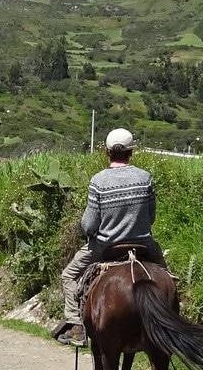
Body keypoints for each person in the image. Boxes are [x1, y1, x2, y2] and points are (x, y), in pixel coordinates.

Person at [50, 128, 166, 347]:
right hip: (143, 244)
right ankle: (172, 319)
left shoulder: (98, 181)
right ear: (131, 152)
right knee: (167, 276)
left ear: (107, 152)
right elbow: (151, 216)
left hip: (105, 247)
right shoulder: (145, 178)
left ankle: (76, 326)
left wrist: (93, 231)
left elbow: (89, 224)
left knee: (69, 275)